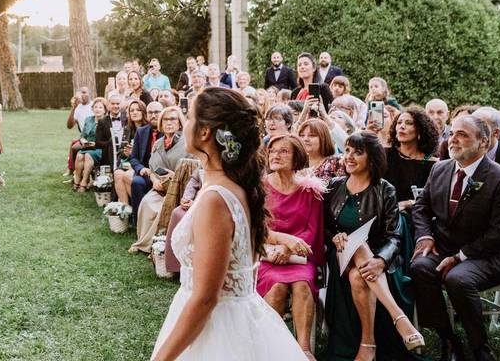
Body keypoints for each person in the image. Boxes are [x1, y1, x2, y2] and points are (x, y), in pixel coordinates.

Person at [150, 87, 307, 361]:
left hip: (218, 329)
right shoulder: (233, 185)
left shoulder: (215, 198)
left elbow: (205, 298)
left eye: (189, 117)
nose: (185, 123)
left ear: (205, 132)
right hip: (239, 317)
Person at [412, 115, 500, 361]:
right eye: (452, 133)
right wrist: (424, 237)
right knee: (420, 267)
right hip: (445, 246)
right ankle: (448, 338)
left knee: (458, 279)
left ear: (484, 142)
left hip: (488, 253)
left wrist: (460, 257)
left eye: (462, 134)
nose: (452, 139)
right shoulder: (440, 168)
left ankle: (480, 348)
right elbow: (421, 208)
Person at [320, 131, 424, 361]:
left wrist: (381, 260)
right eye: (347, 150)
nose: (349, 156)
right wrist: (334, 237)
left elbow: (394, 236)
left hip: (376, 258)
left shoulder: (384, 189)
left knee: (359, 275)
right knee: (357, 245)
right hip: (339, 256)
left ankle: (368, 345)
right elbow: (325, 228)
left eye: (358, 152)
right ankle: (399, 317)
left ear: (372, 158)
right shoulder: (334, 186)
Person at [258, 135, 324, 359]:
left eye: (283, 151)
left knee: (302, 284)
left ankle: (303, 350)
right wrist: (280, 245)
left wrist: (290, 249)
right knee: (276, 287)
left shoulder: (310, 190)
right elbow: (254, 226)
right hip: (267, 256)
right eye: (272, 151)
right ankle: (273, 349)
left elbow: (312, 229)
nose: (275, 155)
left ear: (296, 156)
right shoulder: (260, 188)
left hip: (300, 257)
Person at [129, 106, 186, 253]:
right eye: (165, 120)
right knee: (147, 203)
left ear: (179, 122)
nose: (169, 123)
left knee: (162, 209)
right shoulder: (158, 143)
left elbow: (193, 171)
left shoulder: (187, 143)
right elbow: (152, 169)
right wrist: (154, 180)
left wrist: (174, 178)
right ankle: (142, 242)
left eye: (173, 119)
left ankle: (154, 246)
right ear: (161, 123)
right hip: (159, 187)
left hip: (178, 190)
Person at [128, 101, 164, 218]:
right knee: (137, 182)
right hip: (145, 173)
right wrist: (141, 169)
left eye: (157, 112)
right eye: (150, 112)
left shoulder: (168, 131)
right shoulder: (141, 131)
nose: (153, 115)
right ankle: (138, 220)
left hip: (163, 174)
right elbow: (133, 158)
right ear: (146, 114)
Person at [73, 98, 112, 192]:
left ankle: (84, 181)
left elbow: (107, 140)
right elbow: (82, 136)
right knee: (79, 156)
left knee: (87, 155)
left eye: (100, 107)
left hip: (99, 149)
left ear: (105, 110)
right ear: (92, 108)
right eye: (95, 107)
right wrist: (83, 142)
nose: (97, 109)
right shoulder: (89, 119)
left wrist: (95, 144)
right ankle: (77, 180)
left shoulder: (107, 122)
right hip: (87, 146)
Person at [114, 100, 147, 203]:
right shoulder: (128, 129)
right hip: (127, 164)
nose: (135, 112)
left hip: (142, 165)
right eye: (132, 110)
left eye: (138, 110)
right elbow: (120, 154)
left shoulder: (148, 130)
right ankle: (125, 209)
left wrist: (133, 153)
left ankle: (135, 209)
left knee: (124, 175)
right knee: (118, 173)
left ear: (144, 112)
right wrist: (126, 153)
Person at [297, 118, 345, 183]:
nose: (305, 139)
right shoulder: (294, 162)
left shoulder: (337, 163)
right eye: (302, 135)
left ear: (323, 139)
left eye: (312, 135)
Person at [472, 106, 500, 170]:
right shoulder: (459, 152)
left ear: (496, 132)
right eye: (471, 125)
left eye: (481, 127)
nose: (473, 131)